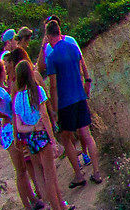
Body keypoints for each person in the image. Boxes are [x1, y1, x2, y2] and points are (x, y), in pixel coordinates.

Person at [8, 57, 71, 210]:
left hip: (30, 139)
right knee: (50, 174)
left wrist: (31, 129)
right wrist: (52, 138)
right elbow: (44, 116)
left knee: (39, 174)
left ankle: (52, 208)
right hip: (42, 136)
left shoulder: (17, 98)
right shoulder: (37, 92)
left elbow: (19, 125)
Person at [39, 17, 102, 187]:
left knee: (66, 138)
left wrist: (54, 110)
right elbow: (82, 68)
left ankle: (79, 175)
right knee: (87, 135)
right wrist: (86, 82)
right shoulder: (73, 47)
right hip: (80, 97)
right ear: (59, 32)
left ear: (49, 37)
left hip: (65, 102)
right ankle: (96, 172)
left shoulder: (52, 57)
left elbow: (53, 86)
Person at [0, 57, 38, 210]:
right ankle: (28, 207)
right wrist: (6, 116)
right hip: (9, 132)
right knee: (21, 171)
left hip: (9, 130)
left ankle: (32, 200)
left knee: (22, 169)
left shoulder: (0, 89)